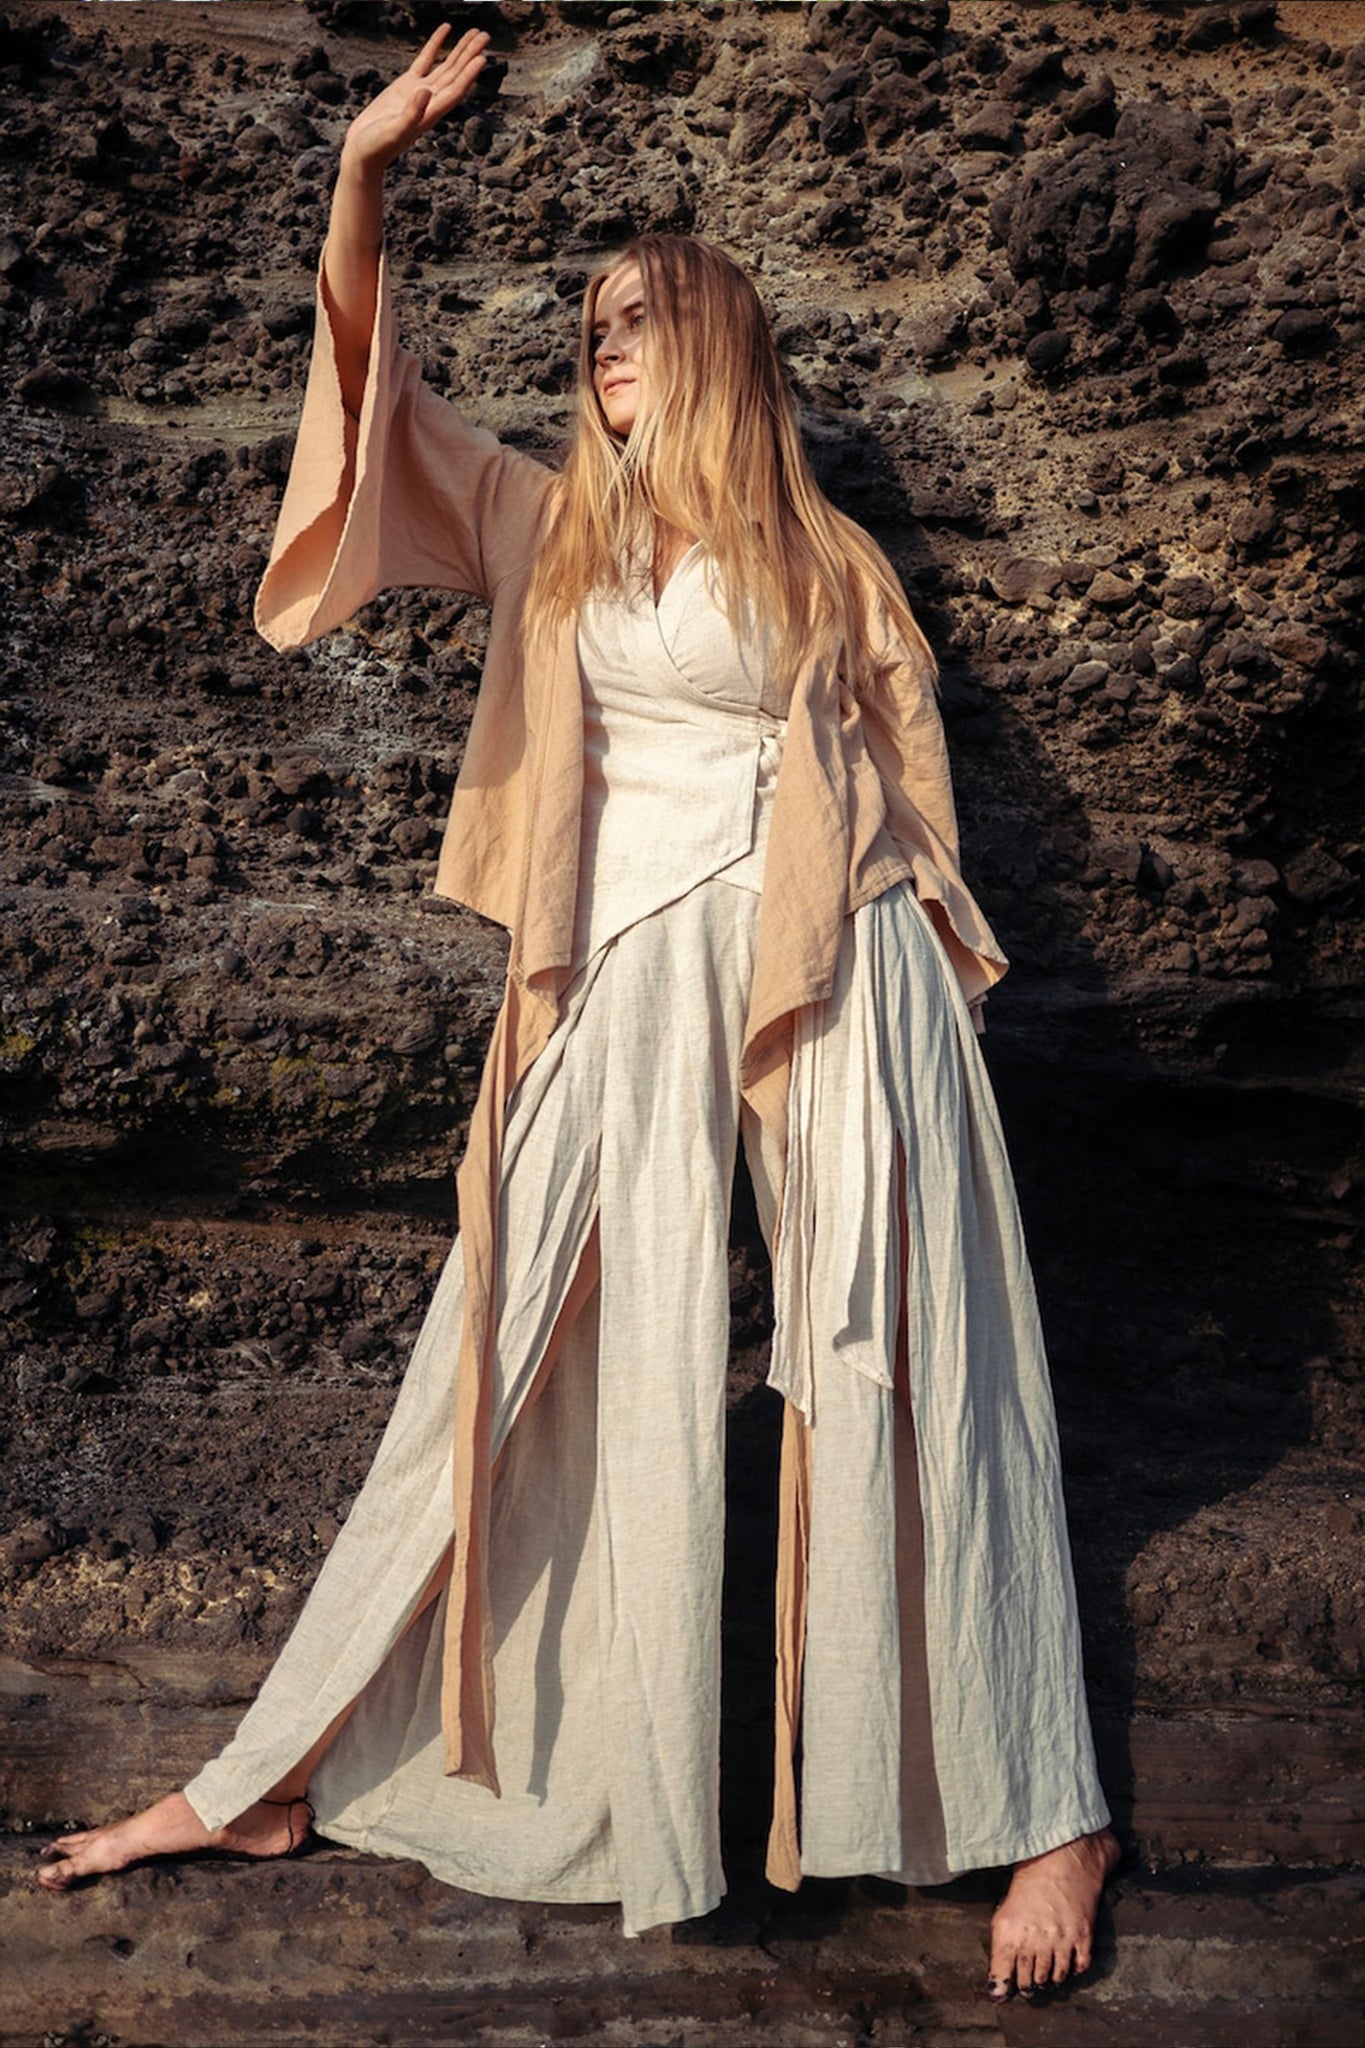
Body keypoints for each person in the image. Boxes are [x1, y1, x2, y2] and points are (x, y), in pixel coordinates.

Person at [37, 25, 1120, 2003]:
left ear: (713, 349)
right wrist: (362, 172)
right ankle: (277, 1770)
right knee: (506, 1324)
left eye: (639, 320)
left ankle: (1046, 1808)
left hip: (834, 957)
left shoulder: (823, 558)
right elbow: (373, 408)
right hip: (627, 961)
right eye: (592, 325)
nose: (605, 346)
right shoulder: (550, 527)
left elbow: (906, 786)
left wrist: (916, 1018)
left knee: (906, 1345)